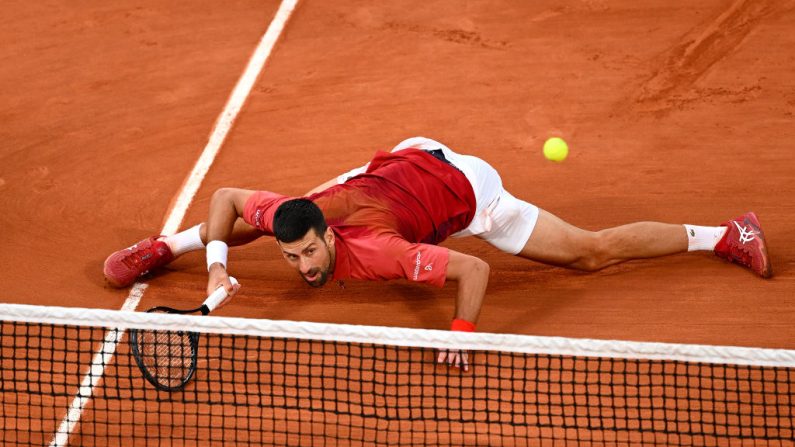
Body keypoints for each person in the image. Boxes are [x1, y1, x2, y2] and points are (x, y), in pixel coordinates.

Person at [103, 137, 773, 369]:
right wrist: (215, 257)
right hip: (402, 158)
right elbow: (223, 194)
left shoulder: (386, 255)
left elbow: (473, 267)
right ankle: (163, 247)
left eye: (310, 254)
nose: (305, 267)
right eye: (296, 257)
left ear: (333, 242)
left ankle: (725, 233)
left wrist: (461, 329)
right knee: (276, 210)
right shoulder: (297, 223)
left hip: (466, 190)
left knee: (587, 252)